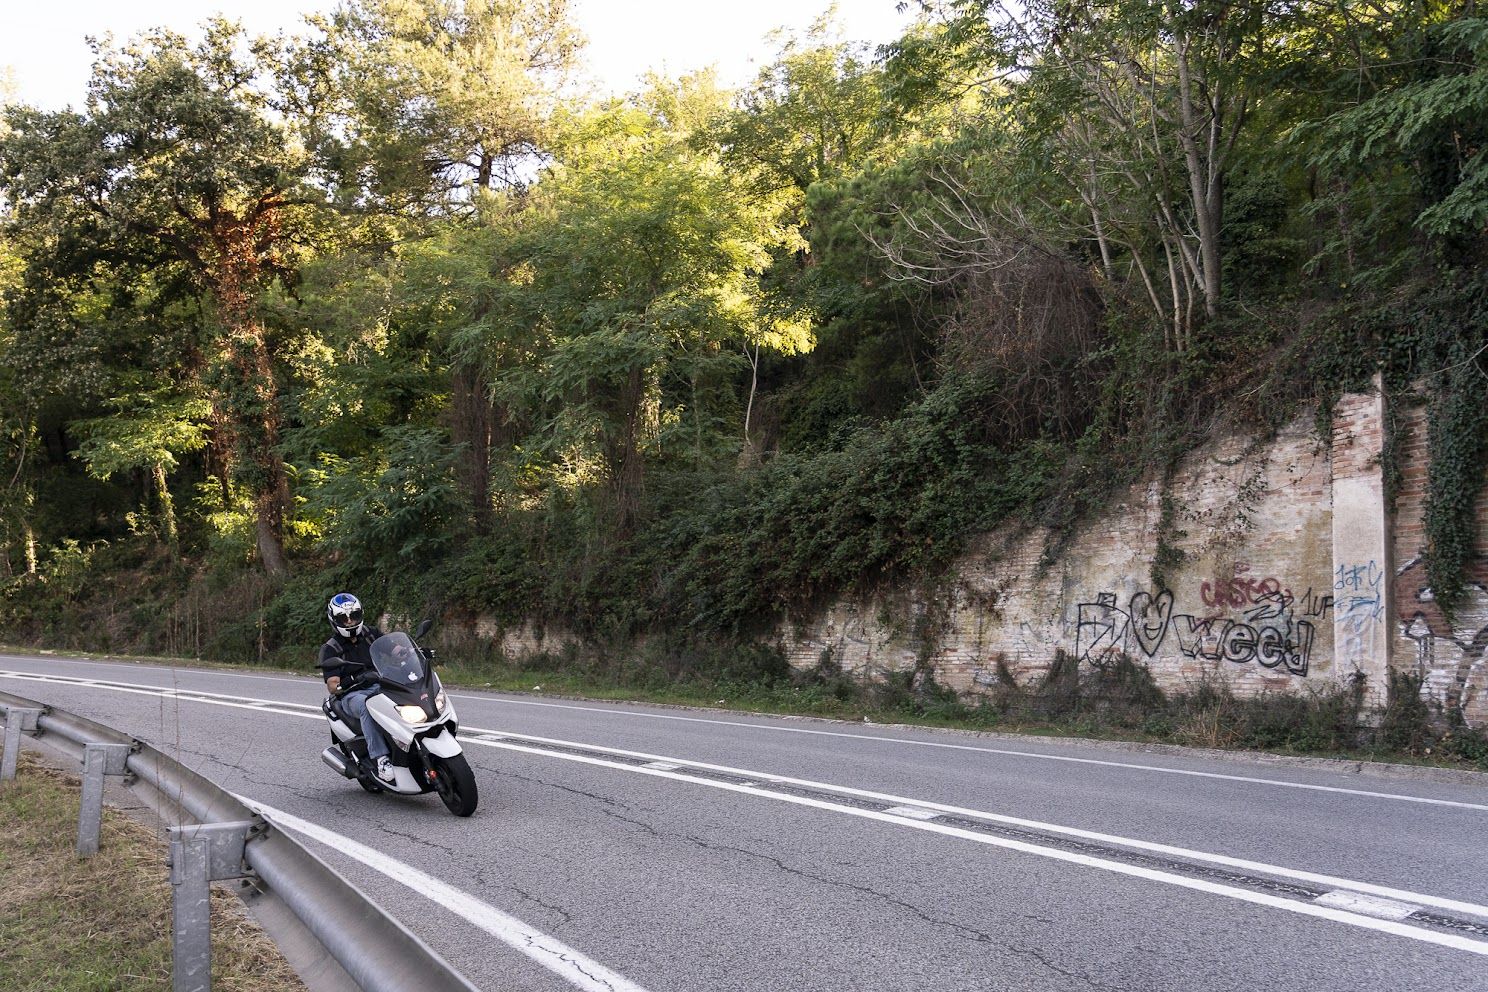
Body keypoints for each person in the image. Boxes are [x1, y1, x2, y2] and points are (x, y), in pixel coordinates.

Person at [318, 593, 395, 784]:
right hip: (352, 695)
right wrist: (353, 679)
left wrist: (414, 653)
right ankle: (381, 759)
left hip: (380, 685)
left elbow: (395, 650)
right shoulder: (331, 648)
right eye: (344, 618)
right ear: (334, 620)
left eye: (354, 615)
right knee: (368, 706)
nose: (350, 621)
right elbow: (333, 685)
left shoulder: (372, 635)